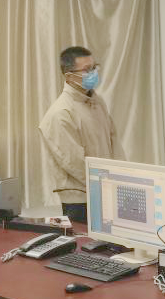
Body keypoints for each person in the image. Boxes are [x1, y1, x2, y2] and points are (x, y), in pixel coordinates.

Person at [38, 46, 125, 222]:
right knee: (86, 240)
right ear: (69, 76)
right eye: (87, 70)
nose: (93, 73)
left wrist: (122, 178)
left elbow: (113, 140)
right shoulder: (60, 113)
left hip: (108, 189)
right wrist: (106, 184)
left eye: (94, 67)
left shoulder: (97, 102)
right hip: (81, 200)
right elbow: (74, 163)